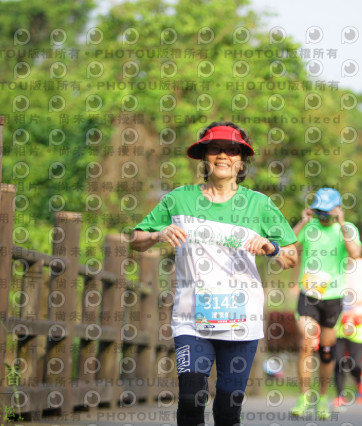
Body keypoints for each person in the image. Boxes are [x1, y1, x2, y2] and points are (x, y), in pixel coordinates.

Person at [130, 121, 298, 426]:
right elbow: (136, 239)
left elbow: (291, 256)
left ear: (242, 160)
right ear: (204, 156)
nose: (223, 155)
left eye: (232, 150)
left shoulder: (260, 205)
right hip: (191, 318)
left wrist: (271, 247)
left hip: (241, 321)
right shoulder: (178, 199)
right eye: (216, 149)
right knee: (191, 399)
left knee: (228, 408)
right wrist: (158, 234)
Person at [290, 188, 362, 419]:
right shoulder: (310, 227)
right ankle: (304, 396)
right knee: (307, 341)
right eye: (319, 212)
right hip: (308, 294)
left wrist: (341, 225)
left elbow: (356, 253)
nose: (322, 218)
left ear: (337, 211)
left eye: (327, 214)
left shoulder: (347, 229)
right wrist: (302, 222)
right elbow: (288, 244)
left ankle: (321, 397)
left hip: (333, 298)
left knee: (327, 351)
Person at [333, 257, 362, 410]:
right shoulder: (336, 264)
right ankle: (340, 396)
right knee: (338, 361)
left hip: (359, 321)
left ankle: (360, 381)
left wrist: (358, 300)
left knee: (355, 362)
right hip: (341, 321)